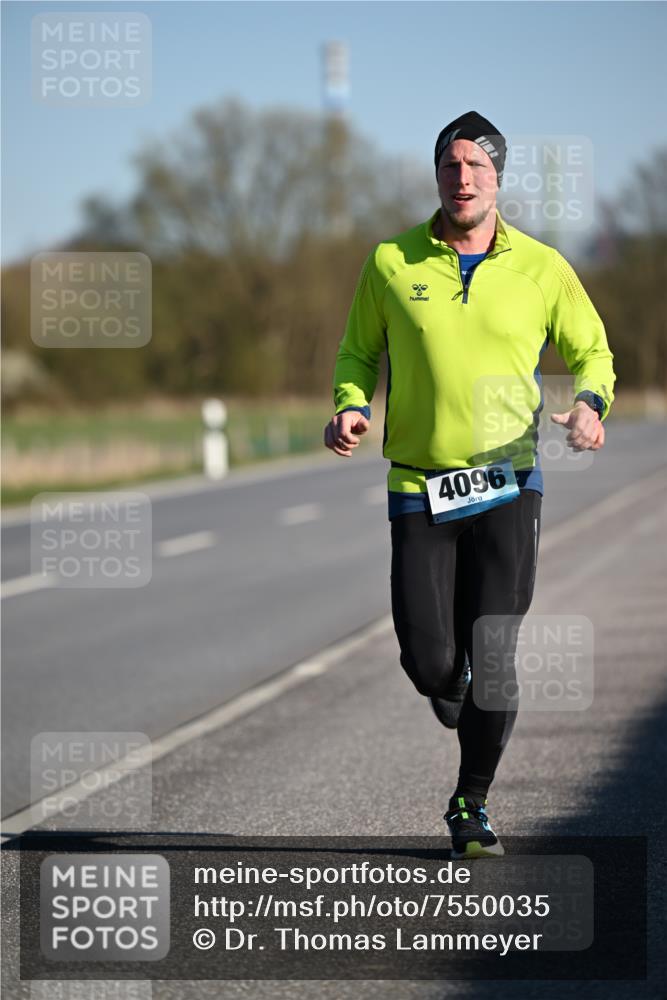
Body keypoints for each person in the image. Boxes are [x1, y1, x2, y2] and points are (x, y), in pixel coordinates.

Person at [324, 111, 616, 858]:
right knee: (428, 661)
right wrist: (350, 407)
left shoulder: (542, 267)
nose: (462, 179)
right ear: (436, 176)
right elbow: (357, 353)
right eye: (450, 166)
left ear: (497, 177)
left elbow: (593, 352)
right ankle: (446, 680)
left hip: (508, 482)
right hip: (419, 485)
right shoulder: (391, 260)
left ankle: (471, 801)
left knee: (492, 652)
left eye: (476, 167)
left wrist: (589, 406)